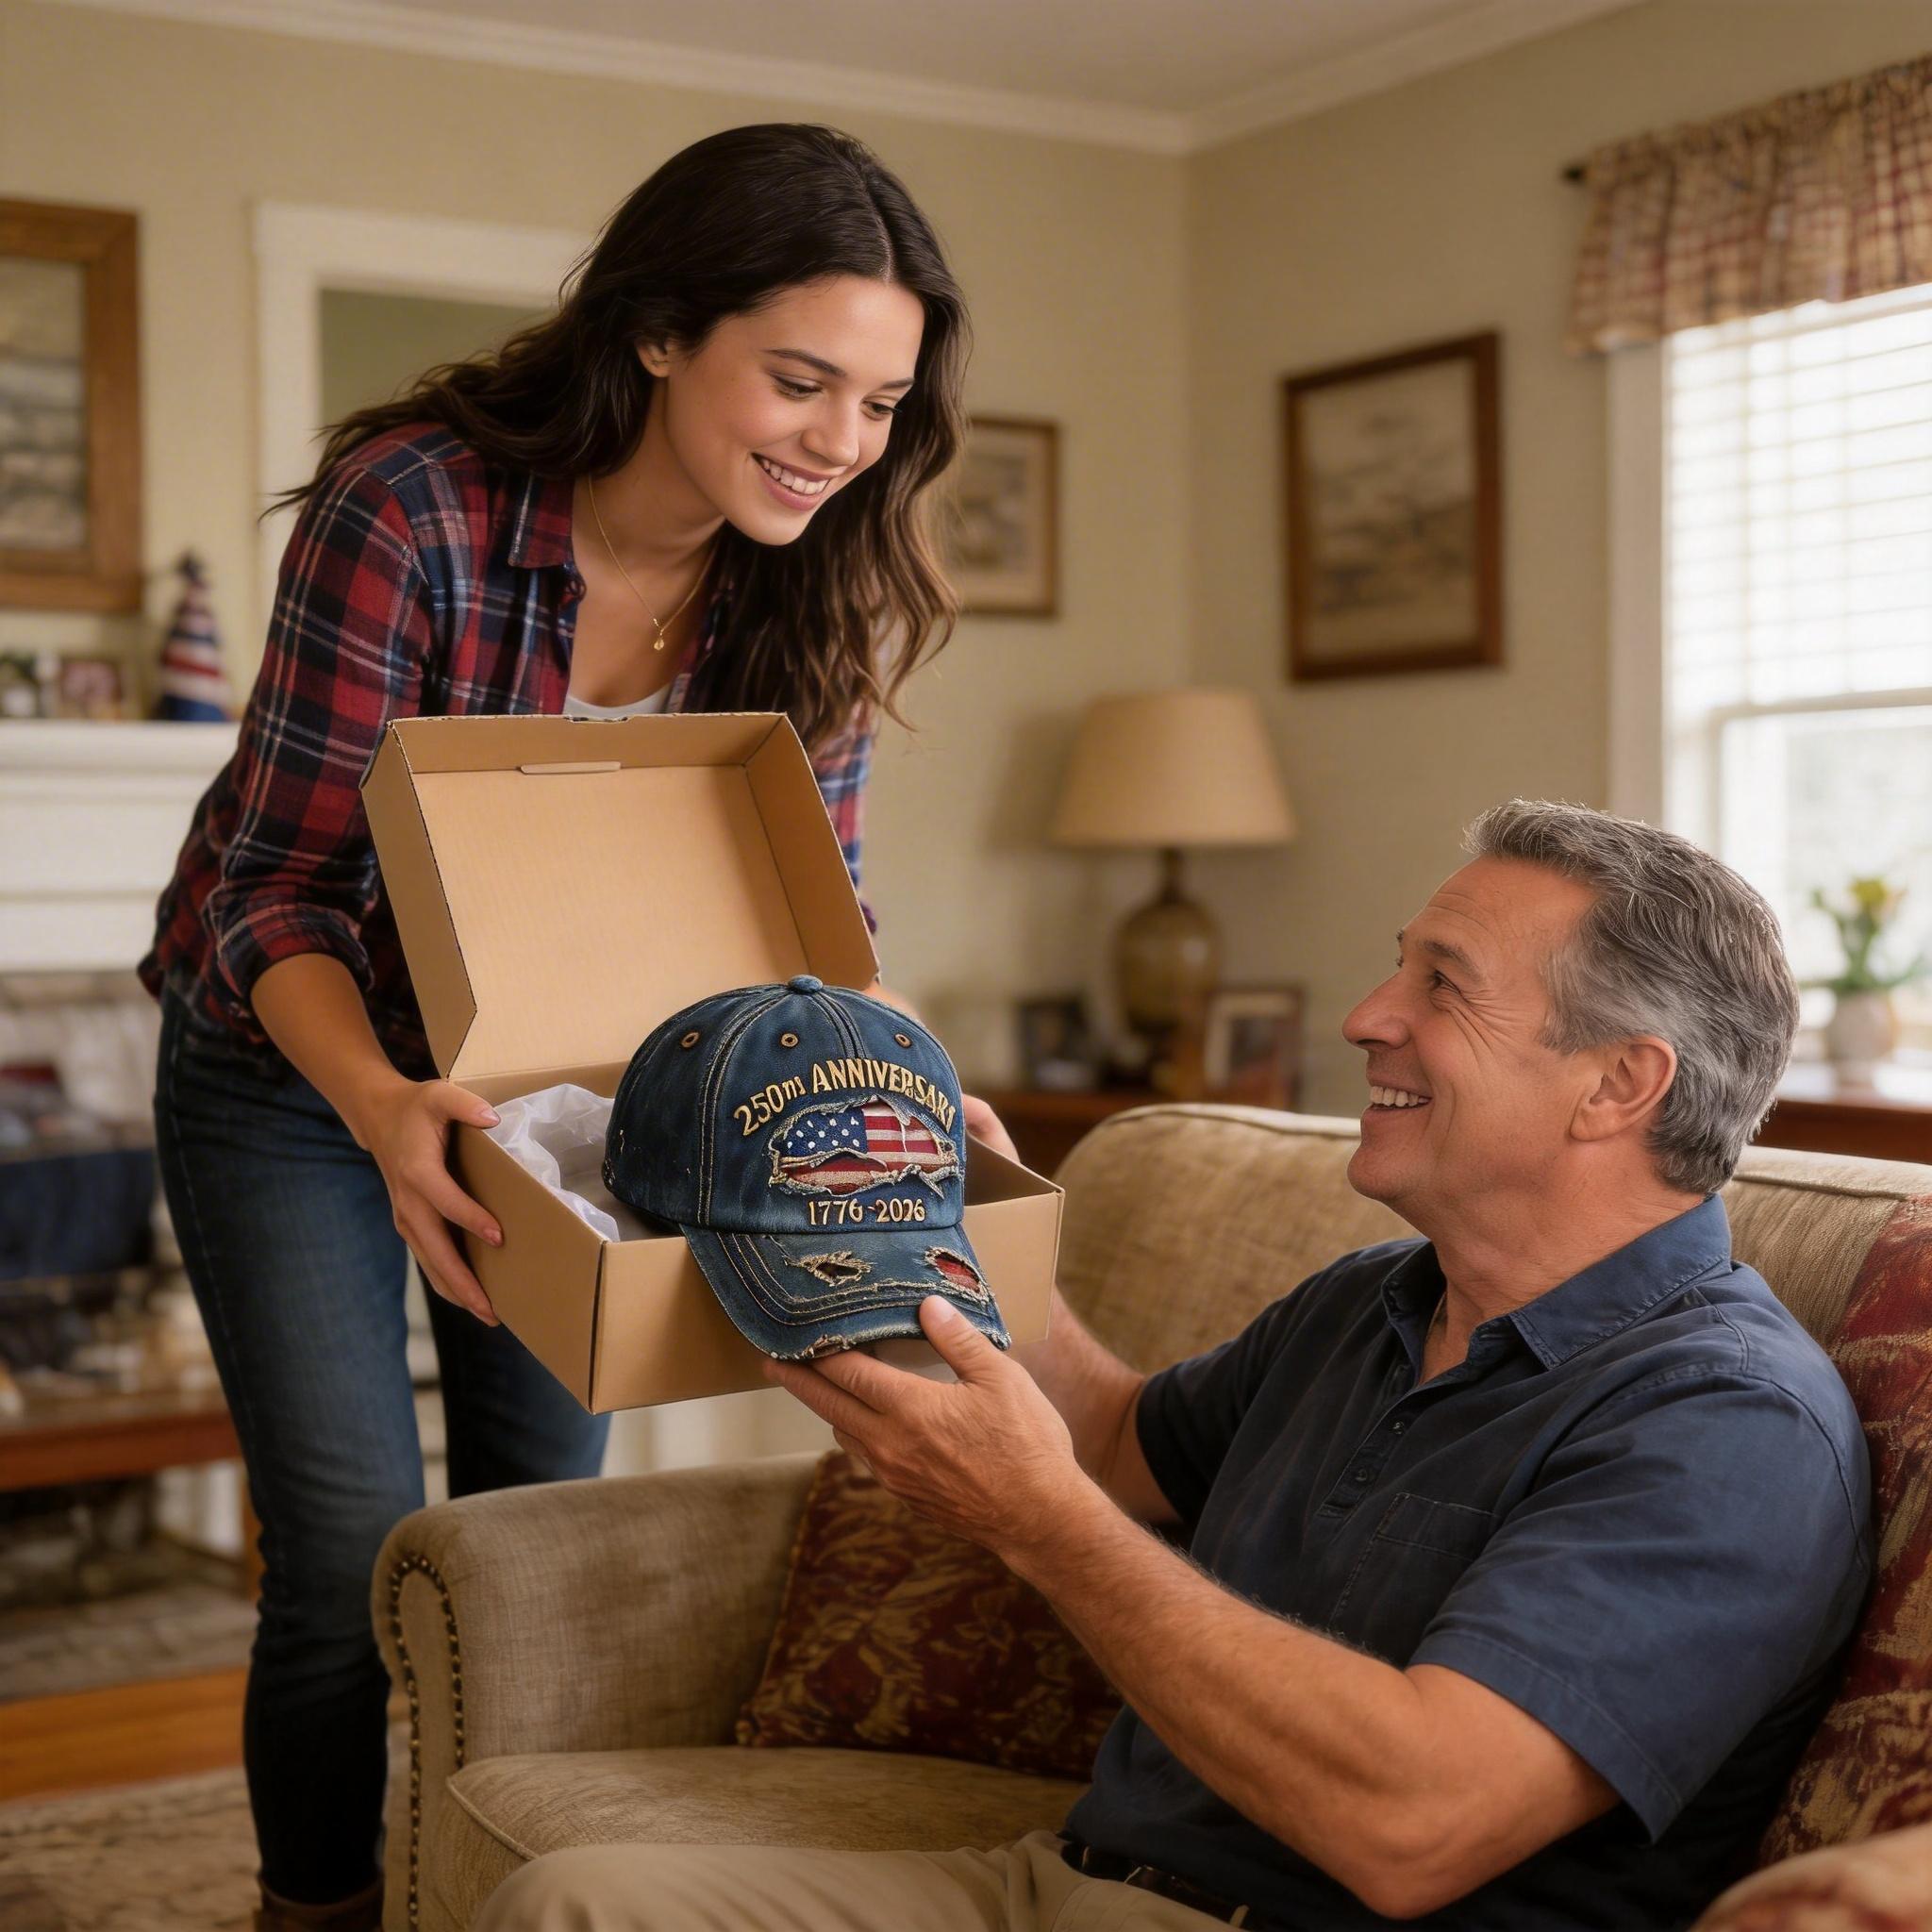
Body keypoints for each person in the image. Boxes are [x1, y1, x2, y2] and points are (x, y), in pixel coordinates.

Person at [475, 800, 1874, 1932]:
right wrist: (938, 1218)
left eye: (1440, 987)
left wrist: (1041, 1527)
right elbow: (1107, 1442)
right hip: (1070, 1885)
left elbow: (1416, 1827)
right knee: (574, 1903)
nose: (1366, 1015)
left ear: (1620, 1084)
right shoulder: (1373, 1303)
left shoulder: (1725, 1425)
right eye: (1399, 963)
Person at [141, 123, 970, 1932]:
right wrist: (378, 1103)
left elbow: (809, 921)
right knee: (353, 1546)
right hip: (303, 1057)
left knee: (533, 1544)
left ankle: (485, 1885)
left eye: (882, 403)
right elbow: (269, 892)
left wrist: (906, 1087)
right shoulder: (416, 509)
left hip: (566, 1096)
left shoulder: (809, 583)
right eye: (802, 379)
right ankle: (318, 1905)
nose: (840, 443)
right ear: (663, 331)